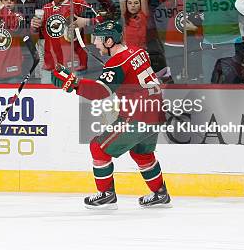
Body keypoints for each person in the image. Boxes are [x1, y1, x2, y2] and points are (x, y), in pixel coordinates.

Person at [51, 20, 170, 208]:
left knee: (98, 147)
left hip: (137, 116)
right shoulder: (138, 51)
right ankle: (160, 193)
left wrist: (74, 84)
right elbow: (127, 78)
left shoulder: (117, 62)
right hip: (155, 113)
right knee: (142, 154)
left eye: (98, 39)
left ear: (109, 41)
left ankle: (106, 194)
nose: (95, 43)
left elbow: (100, 92)